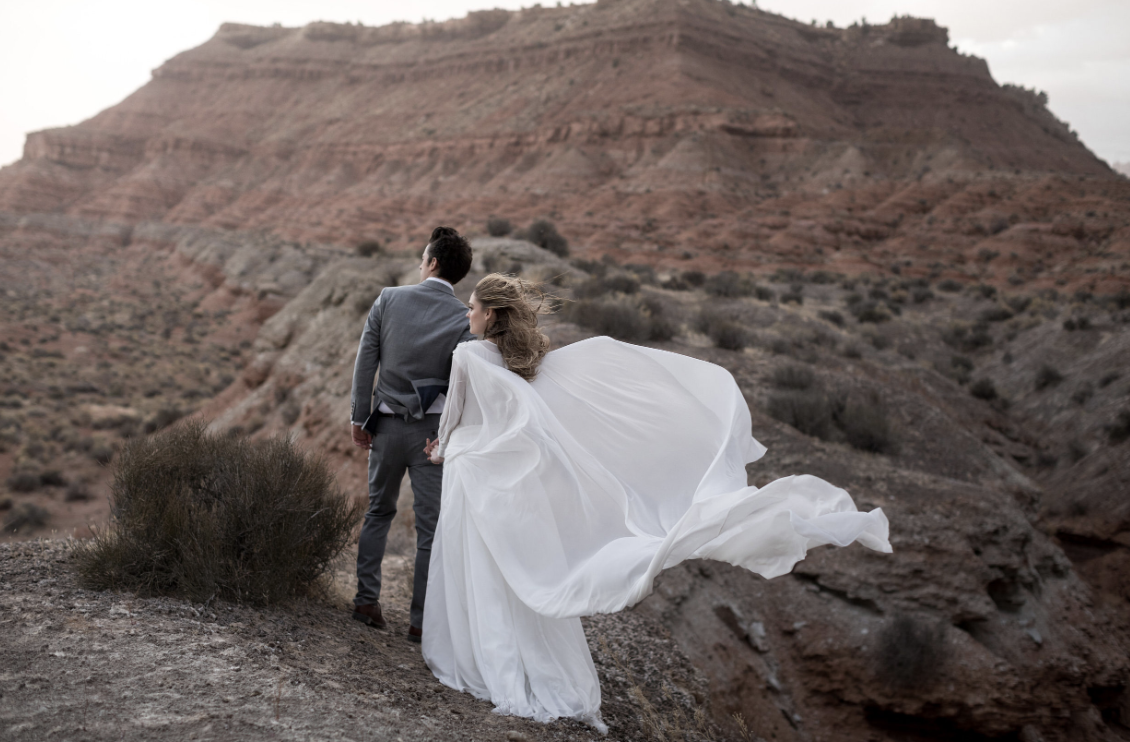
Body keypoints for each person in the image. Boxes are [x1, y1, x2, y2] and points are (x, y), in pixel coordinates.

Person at [420, 273, 892, 732]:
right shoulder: (522, 359)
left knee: (480, 566)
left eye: (473, 307)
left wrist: (440, 449)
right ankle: (525, 669)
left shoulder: (467, 355)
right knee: (508, 570)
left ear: (491, 313)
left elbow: (454, 418)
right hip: (506, 477)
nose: (468, 313)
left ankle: (485, 661)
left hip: (474, 469)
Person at [348, 226, 475, 643]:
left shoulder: (388, 299)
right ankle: (421, 623)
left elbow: (366, 363)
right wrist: (450, 437)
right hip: (431, 438)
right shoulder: (463, 319)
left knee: (378, 513)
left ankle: (366, 601)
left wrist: (359, 417)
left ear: (433, 262)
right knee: (429, 529)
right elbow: (462, 386)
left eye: (423, 256)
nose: (420, 262)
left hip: (383, 429)